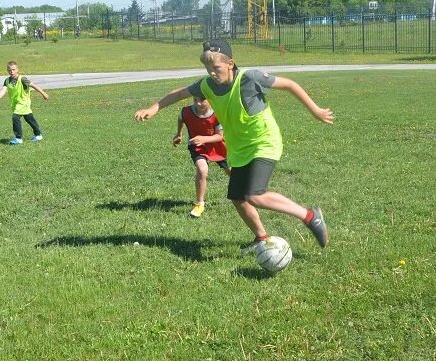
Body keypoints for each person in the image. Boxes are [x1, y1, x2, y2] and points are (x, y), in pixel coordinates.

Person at [135, 39, 334, 252]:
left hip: (263, 142)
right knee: (238, 198)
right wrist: (154, 107)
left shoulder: (250, 78)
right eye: (207, 68)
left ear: (230, 63)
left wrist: (316, 110)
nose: (211, 72)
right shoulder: (206, 86)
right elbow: (179, 93)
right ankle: (261, 238)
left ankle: (310, 217)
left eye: (216, 67)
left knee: (255, 195)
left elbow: (289, 84)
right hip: (239, 149)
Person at [174, 96, 231, 218]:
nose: (198, 103)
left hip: (216, 147)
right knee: (202, 170)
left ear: (211, 99)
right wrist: (179, 134)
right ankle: (199, 203)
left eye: (202, 100)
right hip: (197, 147)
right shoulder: (186, 112)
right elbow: (181, 118)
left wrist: (204, 139)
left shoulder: (217, 114)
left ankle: (245, 191)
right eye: (195, 100)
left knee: (230, 171)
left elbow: (219, 136)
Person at [0, 60, 49, 144]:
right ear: (7, 70)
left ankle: (18, 138)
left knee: (15, 118)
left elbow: (33, 85)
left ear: (17, 69)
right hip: (16, 104)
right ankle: (38, 135)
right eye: (9, 70)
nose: (12, 72)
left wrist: (43, 93)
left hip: (23, 103)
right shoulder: (7, 80)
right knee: (29, 118)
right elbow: (4, 90)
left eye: (13, 69)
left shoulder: (22, 79)